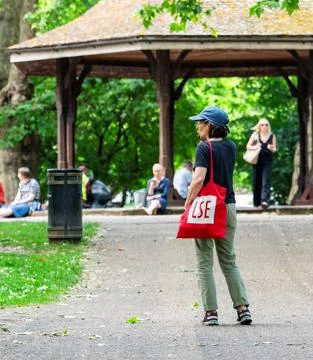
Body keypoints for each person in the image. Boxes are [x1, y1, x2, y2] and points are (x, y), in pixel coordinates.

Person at [186, 106, 252, 326]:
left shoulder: (203, 148)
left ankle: (211, 312)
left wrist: (188, 204)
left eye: (201, 122)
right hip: (228, 206)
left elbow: (198, 179)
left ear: (211, 126)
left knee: (204, 262)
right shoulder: (231, 146)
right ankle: (243, 309)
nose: (198, 126)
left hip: (206, 208)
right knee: (229, 260)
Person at [245, 118, 277, 209]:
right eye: (262, 124)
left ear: (268, 126)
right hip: (257, 161)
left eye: (266, 124)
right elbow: (248, 146)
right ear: (259, 126)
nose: (264, 126)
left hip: (268, 161)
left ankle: (265, 201)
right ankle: (256, 202)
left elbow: (275, 149)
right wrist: (255, 146)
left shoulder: (272, 136)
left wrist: (271, 148)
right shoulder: (255, 135)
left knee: (266, 181)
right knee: (256, 181)